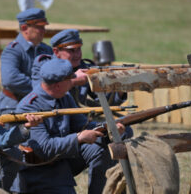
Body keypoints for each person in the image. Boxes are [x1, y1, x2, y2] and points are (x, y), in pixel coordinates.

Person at [8, 58, 127, 194]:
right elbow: (44, 148)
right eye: (69, 79)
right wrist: (78, 138)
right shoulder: (30, 106)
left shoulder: (64, 96)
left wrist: (108, 128)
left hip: (60, 162)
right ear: (57, 85)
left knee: (101, 147)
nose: (73, 82)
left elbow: (82, 125)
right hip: (38, 171)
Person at [32, 29, 127, 107]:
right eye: (72, 50)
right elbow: (41, 95)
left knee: (125, 129)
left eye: (79, 49)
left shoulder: (84, 67)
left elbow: (106, 102)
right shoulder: (43, 65)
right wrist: (73, 81)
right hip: (52, 119)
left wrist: (120, 88)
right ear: (56, 52)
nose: (77, 55)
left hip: (78, 120)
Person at [0, 8, 53, 117]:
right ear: (24, 28)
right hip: (14, 108)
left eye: (44, 27)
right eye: (39, 27)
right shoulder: (12, 50)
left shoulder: (46, 50)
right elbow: (10, 79)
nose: (44, 31)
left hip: (39, 107)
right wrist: (41, 87)